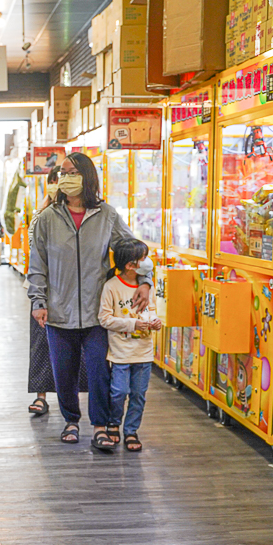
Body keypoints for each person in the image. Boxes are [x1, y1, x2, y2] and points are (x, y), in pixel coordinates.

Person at [27, 152, 152, 451]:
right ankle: (70, 420)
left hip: (98, 312)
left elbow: (132, 248)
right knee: (63, 372)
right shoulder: (46, 219)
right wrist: (38, 301)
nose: (65, 178)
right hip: (59, 311)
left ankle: (99, 425)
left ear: (87, 176)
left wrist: (145, 280)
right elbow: (37, 264)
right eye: (62, 172)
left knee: (99, 371)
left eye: (71, 172)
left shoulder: (106, 215)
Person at [27, 167, 88, 416]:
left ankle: (75, 399)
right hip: (46, 293)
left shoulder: (91, 213)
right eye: (54, 181)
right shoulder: (43, 216)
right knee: (42, 345)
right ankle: (41, 397)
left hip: (79, 293)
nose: (58, 184)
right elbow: (35, 250)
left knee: (79, 348)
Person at [98, 238, 162, 452]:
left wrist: (154, 321)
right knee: (118, 391)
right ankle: (114, 423)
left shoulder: (146, 287)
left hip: (143, 353)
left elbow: (151, 309)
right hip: (120, 354)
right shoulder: (111, 287)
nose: (148, 262)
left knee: (138, 395)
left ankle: (131, 430)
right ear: (130, 264)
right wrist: (133, 323)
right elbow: (105, 319)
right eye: (143, 259)